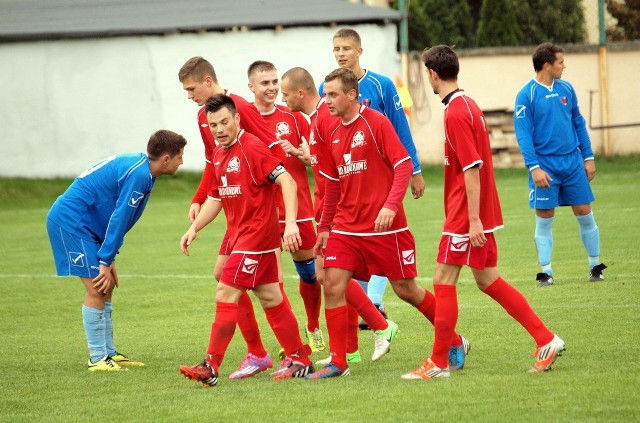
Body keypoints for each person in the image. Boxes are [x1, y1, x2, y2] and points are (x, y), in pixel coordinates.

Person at [402, 45, 565, 380]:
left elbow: (472, 169)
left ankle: (438, 362)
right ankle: (545, 339)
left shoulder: (457, 111)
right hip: (473, 212)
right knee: (487, 279)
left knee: (443, 280)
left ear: (433, 74)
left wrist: (473, 218)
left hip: (466, 213)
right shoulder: (468, 104)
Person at [306, 68, 468, 379]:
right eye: (325, 94)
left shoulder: (375, 122)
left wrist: (390, 207)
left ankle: (455, 339)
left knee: (406, 290)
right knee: (332, 282)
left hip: (385, 229)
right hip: (346, 227)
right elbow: (333, 186)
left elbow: (403, 164)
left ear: (351, 95)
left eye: (333, 94)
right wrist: (325, 228)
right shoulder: (331, 131)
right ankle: (339, 362)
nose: (327, 100)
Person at [178, 95, 313, 387]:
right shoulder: (218, 152)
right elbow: (216, 196)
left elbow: (287, 180)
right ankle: (300, 357)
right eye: (213, 124)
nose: (219, 129)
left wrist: (290, 224)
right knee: (270, 297)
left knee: (225, 293)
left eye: (225, 122)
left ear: (237, 119)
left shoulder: (252, 148)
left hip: (256, 237)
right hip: (240, 236)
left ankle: (210, 366)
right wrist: (195, 228)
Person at [281, 66, 408, 366]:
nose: (282, 99)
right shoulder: (317, 120)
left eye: (284, 93)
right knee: (330, 277)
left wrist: (329, 218)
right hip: (331, 211)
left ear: (300, 93)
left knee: (334, 276)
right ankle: (349, 349)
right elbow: (326, 168)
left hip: (341, 211)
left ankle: (379, 327)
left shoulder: (327, 117)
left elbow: (335, 177)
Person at [178, 56, 285, 380]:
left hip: (261, 213)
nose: (189, 94)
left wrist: (276, 209)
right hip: (236, 213)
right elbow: (216, 164)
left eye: (191, 88)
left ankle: (278, 353)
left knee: (254, 284)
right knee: (238, 278)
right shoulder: (204, 116)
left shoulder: (239, 107)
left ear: (208, 80)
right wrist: (200, 200)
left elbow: (272, 154)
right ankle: (270, 353)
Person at [46, 130, 187, 371]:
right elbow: (119, 217)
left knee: (106, 285)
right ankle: (97, 358)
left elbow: (117, 217)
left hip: (88, 226)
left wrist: (110, 257)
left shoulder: (143, 170)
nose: (182, 161)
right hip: (71, 223)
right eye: (179, 156)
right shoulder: (140, 175)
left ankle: (109, 354)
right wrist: (104, 260)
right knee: (96, 287)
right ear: (165, 159)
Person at [319, 28, 426, 325]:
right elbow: (323, 136)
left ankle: (373, 303)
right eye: (336, 48)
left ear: (359, 51)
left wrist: (414, 170)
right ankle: (346, 352)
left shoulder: (382, 86)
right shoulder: (325, 91)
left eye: (346, 48)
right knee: (338, 272)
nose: (341, 53)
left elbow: (400, 131)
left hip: (384, 179)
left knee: (399, 277)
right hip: (350, 186)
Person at [246, 60, 325, 355]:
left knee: (310, 275)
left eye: (274, 82)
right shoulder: (244, 120)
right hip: (264, 212)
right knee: (273, 279)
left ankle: (313, 327)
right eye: (264, 83)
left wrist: (299, 154)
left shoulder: (292, 116)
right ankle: (292, 342)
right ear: (251, 87)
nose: (271, 88)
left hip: (299, 208)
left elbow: (314, 159)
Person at [514, 43, 606, 287]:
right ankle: (545, 271)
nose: (564, 66)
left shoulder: (567, 88)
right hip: (545, 166)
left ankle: (595, 265)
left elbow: (578, 123)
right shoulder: (527, 95)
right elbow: (523, 134)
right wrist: (534, 167)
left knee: (585, 212)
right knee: (544, 217)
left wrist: (588, 157)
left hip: (573, 163)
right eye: (560, 62)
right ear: (547, 65)